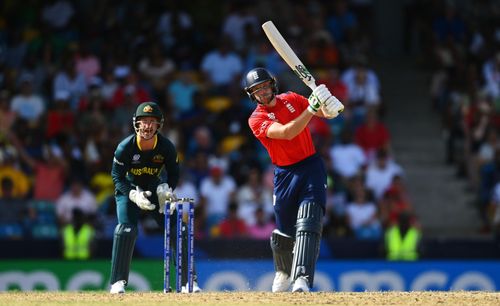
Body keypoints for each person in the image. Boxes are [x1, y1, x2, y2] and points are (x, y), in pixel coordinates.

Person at [243, 67, 344, 292]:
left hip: (310, 167)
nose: (262, 92)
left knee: (309, 222)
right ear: (251, 94)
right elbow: (288, 132)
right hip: (284, 175)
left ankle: (302, 279)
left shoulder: (291, 98)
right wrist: (312, 107)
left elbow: (324, 114)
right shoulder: (256, 118)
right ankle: (283, 272)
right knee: (284, 233)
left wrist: (329, 104)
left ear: (272, 84)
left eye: (265, 86)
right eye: (257, 90)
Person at [108, 101, 200, 294]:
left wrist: (167, 190)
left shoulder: (166, 147)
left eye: (152, 121)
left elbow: (174, 173)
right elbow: (116, 177)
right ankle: (117, 282)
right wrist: (132, 194)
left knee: (179, 228)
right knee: (126, 229)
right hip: (129, 189)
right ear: (136, 123)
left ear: (159, 125)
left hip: (154, 188)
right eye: (143, 121)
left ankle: (187, 281)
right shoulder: (125, 147)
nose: (147, 126)